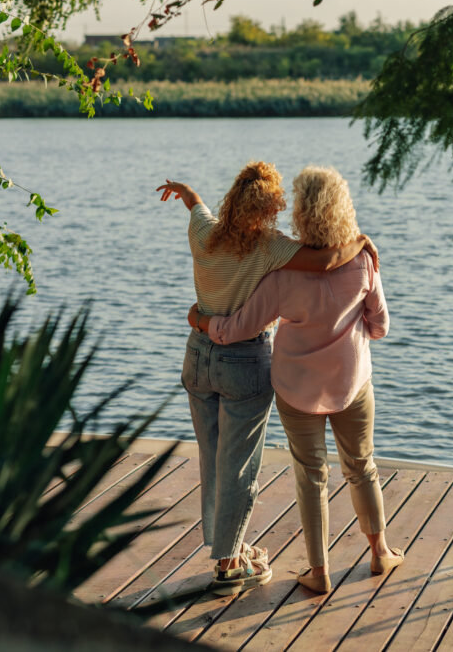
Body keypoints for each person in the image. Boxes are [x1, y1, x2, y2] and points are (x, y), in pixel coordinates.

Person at [158, 161, 378, 596]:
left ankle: (229, 548)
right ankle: (228, 566)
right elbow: (328, 259)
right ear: (270, 209)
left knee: (213, 456)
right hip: (242, 362)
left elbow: (195, 207)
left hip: (198, 357)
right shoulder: (271, 247)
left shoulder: (204, 232)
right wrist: (362, 243)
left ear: (234, 198)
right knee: (238, 465)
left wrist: (186, 191)